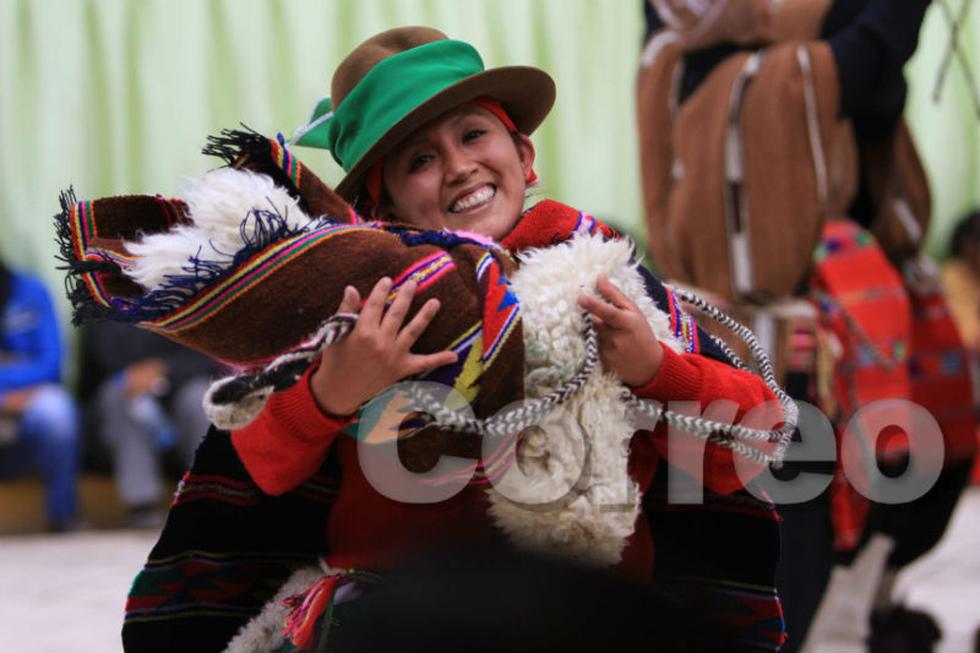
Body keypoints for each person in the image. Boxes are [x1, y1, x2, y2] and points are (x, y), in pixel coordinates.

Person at [78, 321, 221, 526]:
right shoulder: (101, 309)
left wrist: (163, 369)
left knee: (200, 396)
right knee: (117, 395)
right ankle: (142, 506)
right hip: (122, 420)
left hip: (178, 396)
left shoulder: (186, 295)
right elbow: (92, 378)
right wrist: (132, 378)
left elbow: (205, 361)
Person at [0, 259, 80, 532]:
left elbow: (51, 363)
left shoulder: (30, 290)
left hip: (31, 399)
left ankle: (62, 515)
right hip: (15, 393)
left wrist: (14, 388)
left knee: (57, 411)